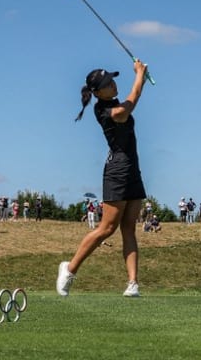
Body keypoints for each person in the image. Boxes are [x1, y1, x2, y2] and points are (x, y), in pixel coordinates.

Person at [57, 60, 149, 298]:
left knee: (129, 228)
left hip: (133, 170)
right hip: (116, 171)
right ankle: (70, 268)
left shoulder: (115, 102)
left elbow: (128, 102)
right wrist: (139, 75)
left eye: (112, 79)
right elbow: (127, 108)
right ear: (98, 92)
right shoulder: (104, 110)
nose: (113, 84)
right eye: (108, 83)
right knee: (107, 228)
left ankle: (132, 283)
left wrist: (140, 75)